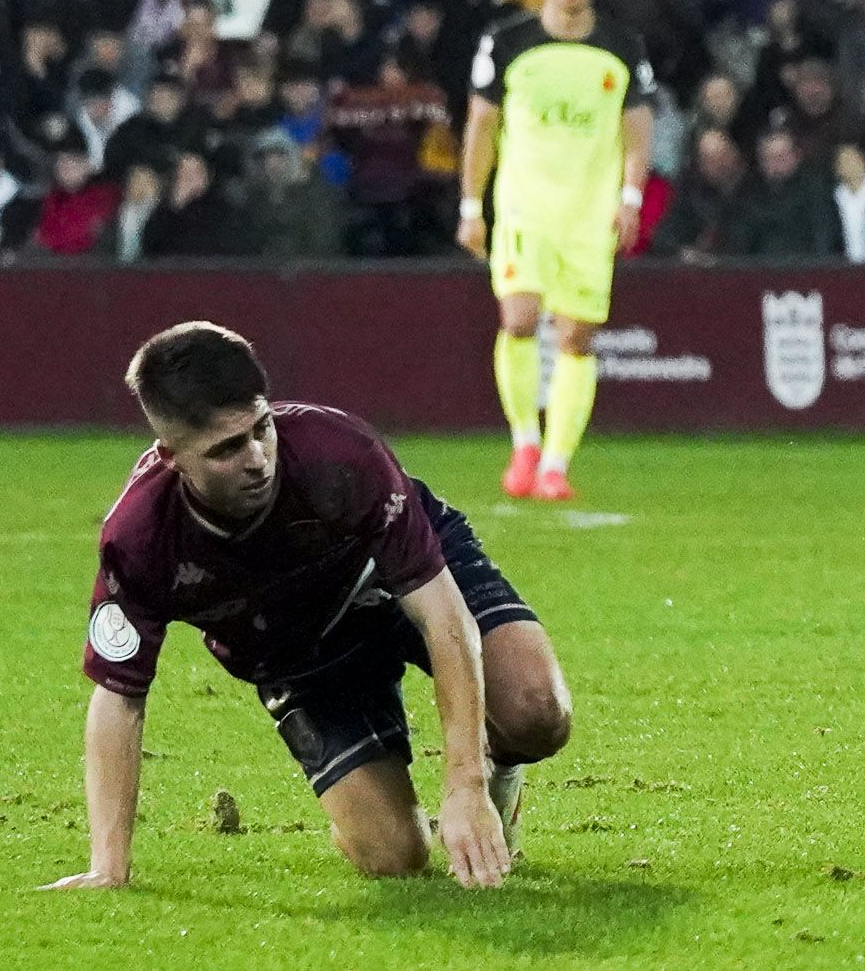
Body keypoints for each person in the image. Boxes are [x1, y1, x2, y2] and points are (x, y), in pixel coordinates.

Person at [44, 323, 570, 891]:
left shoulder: (339, 452)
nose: (257, 459)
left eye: (261, 429)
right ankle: (376, 810)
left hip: (390, 586)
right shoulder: (139, 538)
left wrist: (465, 780)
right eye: (226, 449)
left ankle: (498, 785)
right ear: (171, 457)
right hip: (296, 652)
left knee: (538, 711)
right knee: (396, 855)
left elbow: (442, 616)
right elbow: (119, 698)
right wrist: (108, 867)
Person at [457, 0, 656, 503]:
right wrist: (473, 205)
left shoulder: (622, 46)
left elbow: (638, 130)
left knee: (577, 336)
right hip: (524, 205)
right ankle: (523, 442)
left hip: (589, 212)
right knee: (518, 320)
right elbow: (481, 127)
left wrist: (630, 199)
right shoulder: (508, 42)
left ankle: (556, 463)